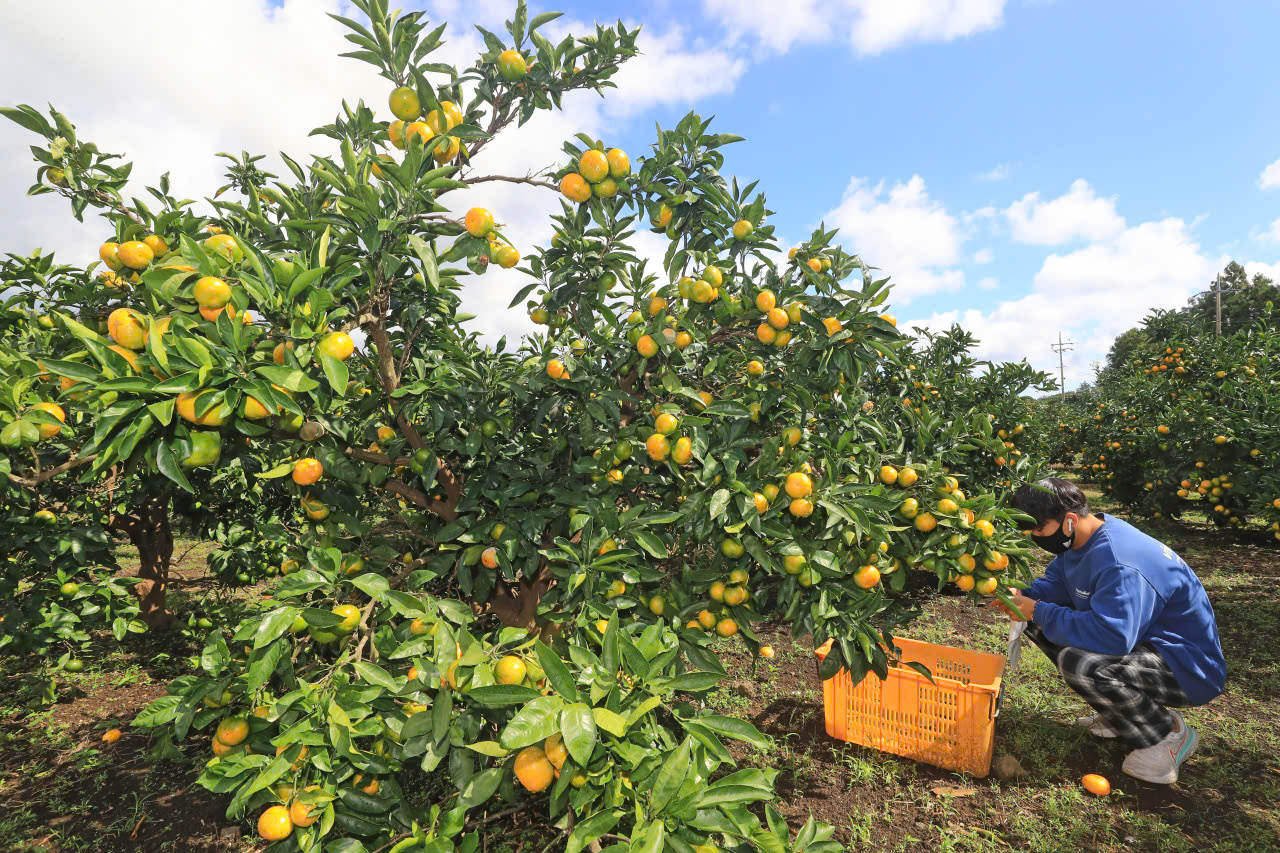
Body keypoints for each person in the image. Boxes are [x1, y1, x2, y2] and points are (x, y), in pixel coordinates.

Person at [997, 477, 1226, 784]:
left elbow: (1113, 636)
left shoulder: (1120, 561)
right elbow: (1057, 586)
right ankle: (1122, 715)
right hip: (1143, 642)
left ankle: (1167, 735)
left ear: (1069, 520)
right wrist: (1023, 595)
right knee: (1037, 624)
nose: (1035, 536)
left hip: (1187, 667)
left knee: (1083, 665)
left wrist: (1037, 609)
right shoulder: (1083, 538)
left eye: (1039, 529)